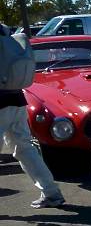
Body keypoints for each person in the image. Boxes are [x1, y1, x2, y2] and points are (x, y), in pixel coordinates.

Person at [0, 23, 65, 208]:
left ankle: (51, 193)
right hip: (16, 99)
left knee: (24, 149)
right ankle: (51, 192)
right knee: (25, 149)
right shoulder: (5, 31)